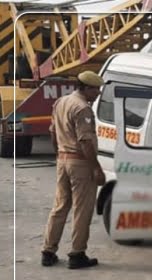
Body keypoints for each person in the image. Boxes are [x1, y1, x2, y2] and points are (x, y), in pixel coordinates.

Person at [41, 70, 106, 269]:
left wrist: (59, 154)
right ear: (86, 88)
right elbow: (86, 142)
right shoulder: (82, 108)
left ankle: (48, 251)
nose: (98, 93)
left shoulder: (61, 102)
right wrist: (96, 168)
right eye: (96, 90)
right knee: (82, 209)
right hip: (80, 164)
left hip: (63, 160)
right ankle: (77, 254)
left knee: (60, 207)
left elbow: (52, 132)